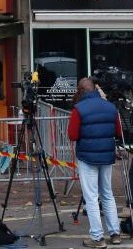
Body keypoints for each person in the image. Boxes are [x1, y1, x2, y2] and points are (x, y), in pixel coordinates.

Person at [68, 77, 123, 248]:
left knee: (91, 197)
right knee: (107, 194)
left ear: (82, 91)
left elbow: (72, 135)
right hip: (106, 155)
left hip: (87, 156)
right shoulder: (110, 107)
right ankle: (115, 233)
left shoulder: (79, 109)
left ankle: (97, 237)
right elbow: (118, 131)